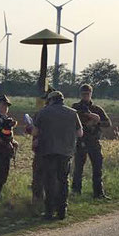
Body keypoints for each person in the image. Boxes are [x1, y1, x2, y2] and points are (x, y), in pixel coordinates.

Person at [32, 91, 83, 220]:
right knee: (63, 180)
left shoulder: (43, 112)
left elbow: (35, 131)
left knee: (49, 181)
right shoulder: (73, 113)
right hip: (66, 152)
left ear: (51, 100)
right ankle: (62, 211)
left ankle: (49, 211)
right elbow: (80, 133)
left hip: (48, 151)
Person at [71, 84, 112, 199]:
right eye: (83, 94)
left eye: (87, 94)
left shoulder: (97, 109)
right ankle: (76, 192)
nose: (85, 96)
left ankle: (98, 193)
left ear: (91, 94)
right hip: (81, 141)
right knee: (78, 168)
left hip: (94, 141)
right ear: (80, 94)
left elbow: (108, 123)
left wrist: (96, 121)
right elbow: (71, 122)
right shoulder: (75, 107)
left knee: (97, 167)